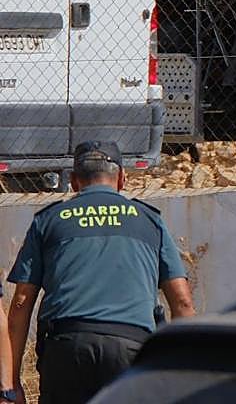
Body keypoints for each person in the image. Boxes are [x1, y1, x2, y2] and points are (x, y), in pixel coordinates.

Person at [7, 141, 195, 404]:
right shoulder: (150, 220)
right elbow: (183, 303)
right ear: (122, 179)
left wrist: (11, 382)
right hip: (130, 348)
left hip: (66, 347)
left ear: (73, 181)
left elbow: (20, 302)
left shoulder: (48, 220)